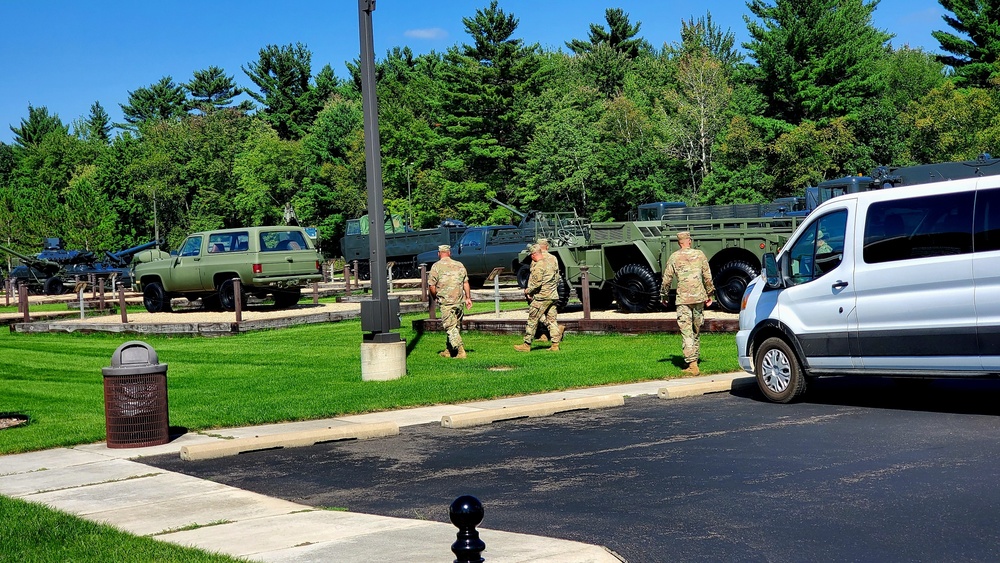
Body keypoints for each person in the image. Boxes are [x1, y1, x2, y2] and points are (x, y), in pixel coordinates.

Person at [660, 231, 715, 375]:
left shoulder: (674, 257)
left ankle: (692, 364)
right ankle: (693, 358)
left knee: (686, 331)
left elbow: (667, 279)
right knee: (696, 329)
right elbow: (707, 276)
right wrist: (710, 294)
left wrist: (663, 295)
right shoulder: (700, 254)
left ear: (679, 243)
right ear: (689, 241)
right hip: (698, 298)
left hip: (683, 299)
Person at [515, 244, 563, 352]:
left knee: (532, 320)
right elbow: (557, 278)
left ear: (534, 254)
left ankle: (526, 344)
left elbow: (536, 283)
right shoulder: (551, 262)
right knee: (552, 320)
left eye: (531, 255)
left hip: (542, 297)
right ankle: (555, 345)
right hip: (553, 295)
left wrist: (527, 291)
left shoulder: (539, 265)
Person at [428, 244, 473, 358]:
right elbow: (465, 282)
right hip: (459, 301)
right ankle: (449, 350)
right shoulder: (459, 265)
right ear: (450, 253)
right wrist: (468, 298)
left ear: (439, 253)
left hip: (446, 302)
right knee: (455, 326)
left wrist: (435, 297)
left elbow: (432, 286)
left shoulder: (436, 266)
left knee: (450, 327)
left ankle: (460, 351)